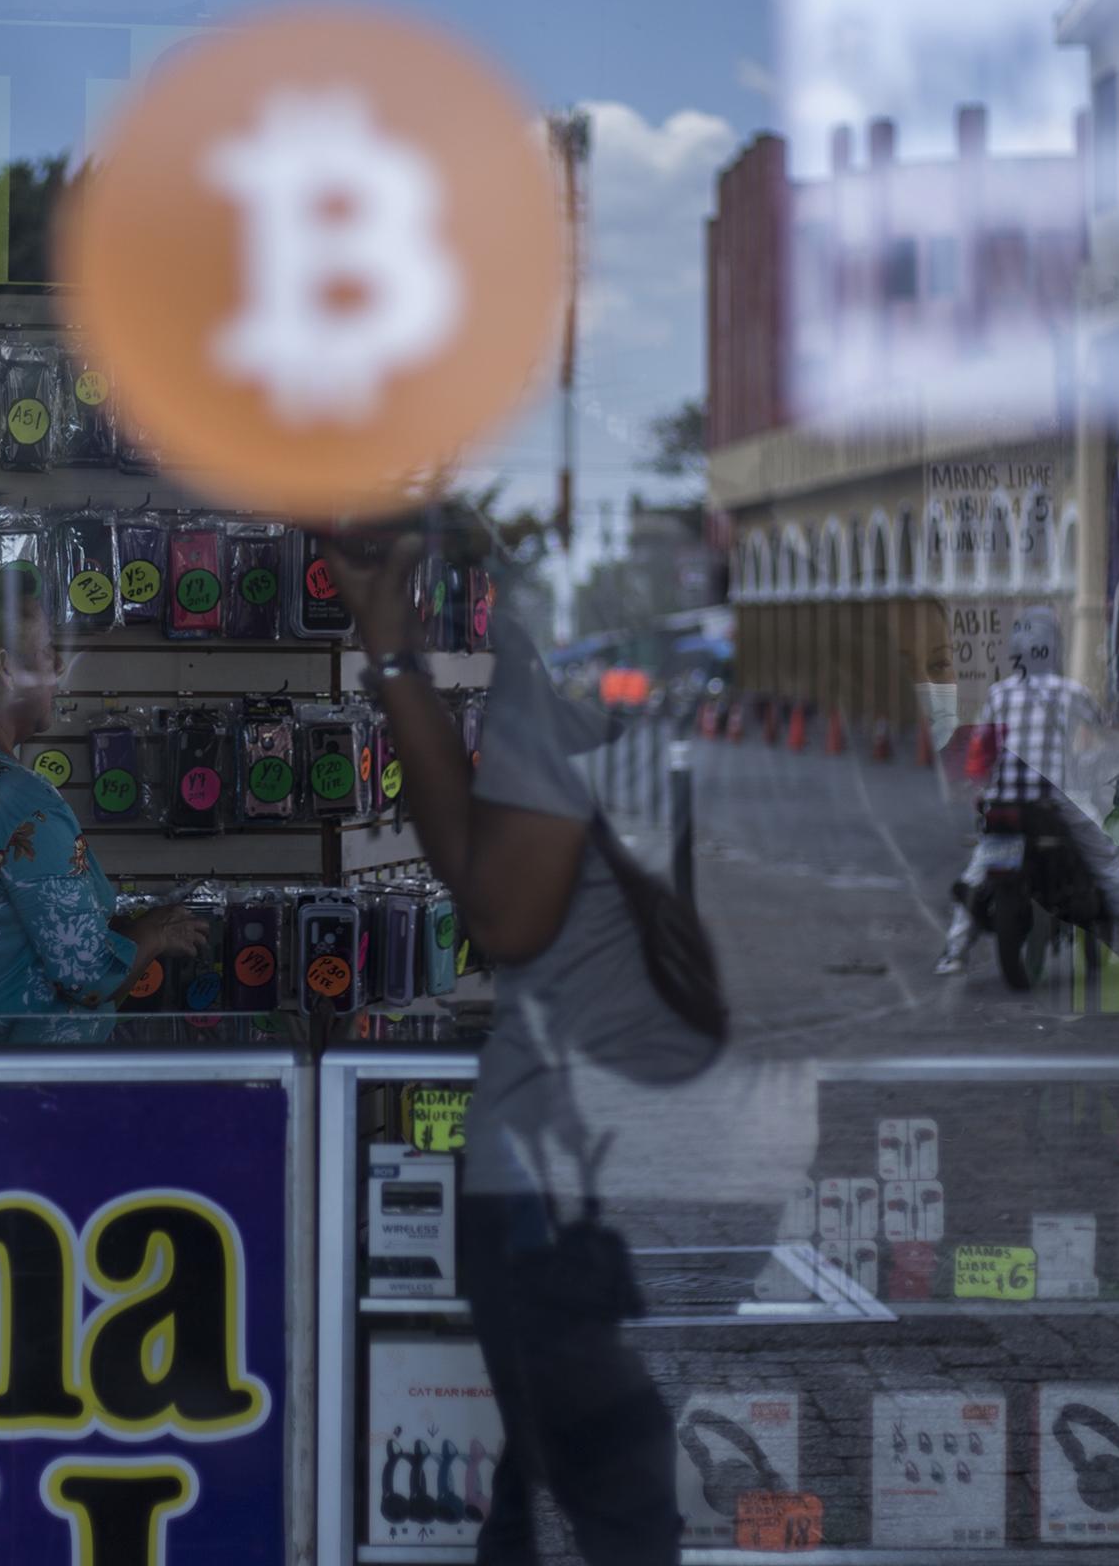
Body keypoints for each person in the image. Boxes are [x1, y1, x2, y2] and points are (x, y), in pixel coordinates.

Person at [324, 523, 725, 1566]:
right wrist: (395, 653)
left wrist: (396, 657)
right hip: (605, 1163)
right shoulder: (656, 677)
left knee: (595, 1491)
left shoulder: (560, 673)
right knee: (576, 1482)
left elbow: (499, 908)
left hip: (565, 1175)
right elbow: (498, 879)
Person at [0, 570, 209, 1041]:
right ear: (6, 668)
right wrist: (154, 933)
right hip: (10, 1091)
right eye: (48, 649)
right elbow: (88, 974)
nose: (59, 665)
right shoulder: (18, 799)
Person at [937, 605, 1119, 976]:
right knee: (1108, 860)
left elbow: (981, 750)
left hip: (1004, 802)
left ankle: (954, 951)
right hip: (1054, 801)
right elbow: (1109, 734)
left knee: (978, 867)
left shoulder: (999, 693)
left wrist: (980, 787)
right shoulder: (1070, 692)